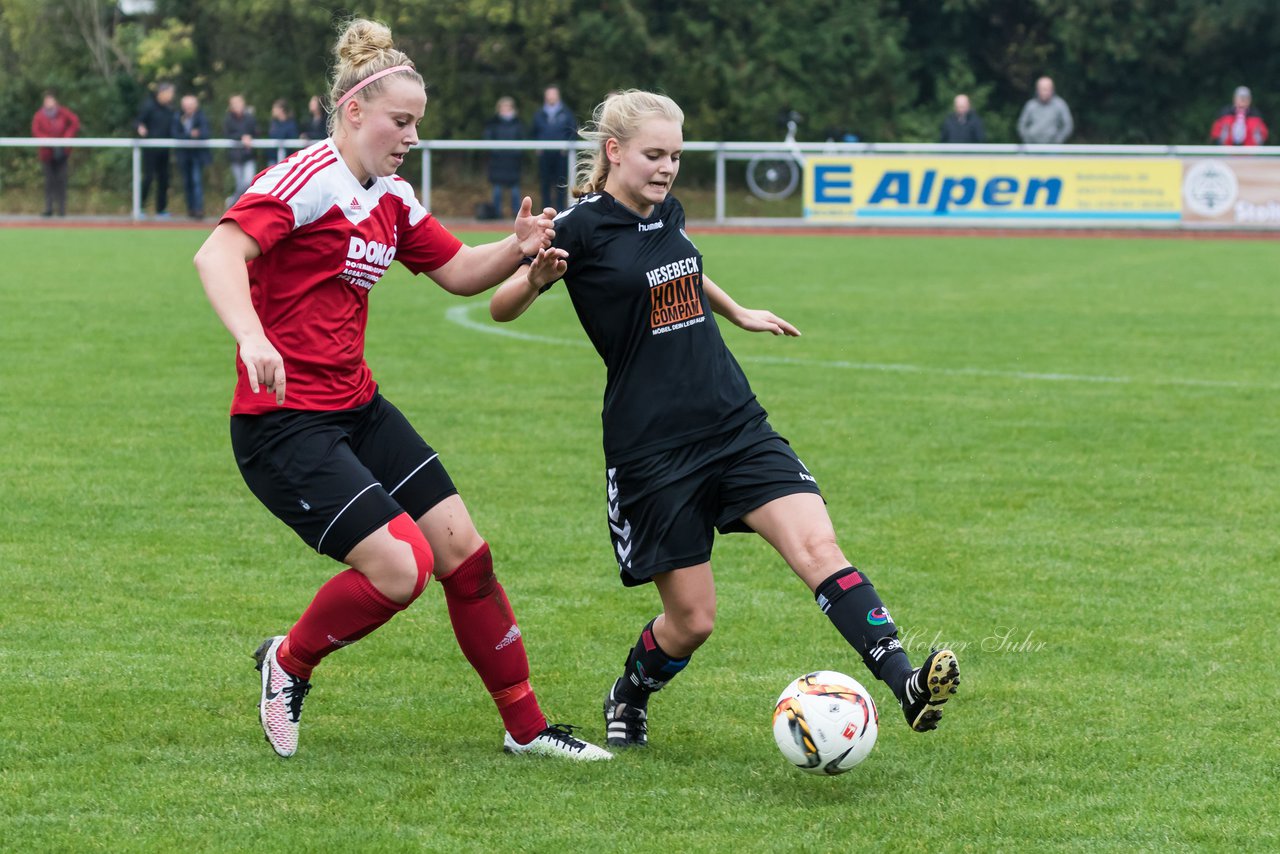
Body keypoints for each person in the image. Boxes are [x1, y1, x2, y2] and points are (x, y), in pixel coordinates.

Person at [192, 18, 610, 763]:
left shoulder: (389, 194)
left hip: (357, 407)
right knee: (401, 566)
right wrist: (252, 335)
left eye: (418, 122)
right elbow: (218, 250)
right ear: (355, 111)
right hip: (283, 424)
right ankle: (287, 662)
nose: (412, 135)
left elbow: (456, 270)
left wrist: (518, 251)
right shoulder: (307, 177)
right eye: (402, 120)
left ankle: (527, 730)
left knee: (464, 554)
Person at [489, 91, 961, 749]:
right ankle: (631, 691)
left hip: (732, 421)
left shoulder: (668, 211)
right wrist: (536, 277)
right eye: (655, 154)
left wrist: (736, 310)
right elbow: (500, 306)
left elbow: (678, 266)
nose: (667, 168)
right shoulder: (580, 226)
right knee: (692, 621)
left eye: (676, 156)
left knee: (818, 549)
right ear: (614, 151)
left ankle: (905, 681)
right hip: (652, 448)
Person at [30, 90, 79, 217]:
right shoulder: (39, 115)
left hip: (62, 151)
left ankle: (61, 209)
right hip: (47, 152)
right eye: (47, 101)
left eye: (51, 100)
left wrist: (66, 138)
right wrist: (47, 140)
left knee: (61, 180)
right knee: (49, 181)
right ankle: (48, 208)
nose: (49, 103)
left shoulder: (63, 112)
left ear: (55, 101)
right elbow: (36, 130)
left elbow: (74, 122)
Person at [531, 84, 575, 212]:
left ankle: (561, 211)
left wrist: (566, 147)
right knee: (545, 184)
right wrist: (536, 146)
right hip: (544, 155)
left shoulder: (566, 113)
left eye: (553, 94)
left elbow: (573, 131)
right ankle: (545, 211)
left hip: (561, 155)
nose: (551, 97)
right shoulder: (539, 114)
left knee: (561, 184)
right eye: (549, 94)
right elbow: (533, 132)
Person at [136, 82, 176, 217]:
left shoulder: (170, 109)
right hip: (150, 149)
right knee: (148, 177)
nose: (171, 96)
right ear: (162, 93)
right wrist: (140, 128)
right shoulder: (149, 106)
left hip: (165, 150)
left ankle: (161, 209)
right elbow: (137, 121)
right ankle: (139, 207)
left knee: (164, 179)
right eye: (170, 93)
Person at [483, 96, 525, 219]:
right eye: (503, 107)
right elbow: (488, 139)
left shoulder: (518, 124)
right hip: (497, 162)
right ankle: (497, 214)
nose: (505, 110)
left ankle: (517, 215)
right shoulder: (493, 123)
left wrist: (515, 153)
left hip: (513, 162)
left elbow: (522, 140)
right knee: (496, 190)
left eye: (508, 107)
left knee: (515, 191)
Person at [173, 94, 212, 219]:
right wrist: (190, 134)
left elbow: (205, 133)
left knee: (196, 182)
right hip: (184, 155)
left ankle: (198, 210)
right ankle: (190, 209)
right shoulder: (177, 116)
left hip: (197, 156)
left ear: (196, 105)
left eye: (190, 105)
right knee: (187, 183)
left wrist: (191, 134)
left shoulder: (201, 117)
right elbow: (175, 133)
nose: (188, 108)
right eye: (185, 105)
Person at [223, 94, 258, 208]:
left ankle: (232, 201)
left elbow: (256, 132)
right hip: (235, 157)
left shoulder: (250, 118)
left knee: (247, 182)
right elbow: (227, 134)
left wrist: (250, 138)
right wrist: (242, 137)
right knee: (240, 184)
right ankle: (238, 206)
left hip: (248, 156)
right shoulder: (228, 119)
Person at [1017, 76, 1073, 144]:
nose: (1044, 92)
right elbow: (1021, 124)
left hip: (1052, 147)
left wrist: (1058, 139)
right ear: (1037, 90)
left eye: (1046, 89)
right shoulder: (1030, 105)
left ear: (1052, 90)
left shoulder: (1060, 105)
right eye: (1042, 89)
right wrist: (1027, 139)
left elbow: (1068, 124)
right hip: (1032, 146)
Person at [266, 98, 299, 167]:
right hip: (273, 159)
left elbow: (291, 137)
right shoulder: (274, 123)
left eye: (274, 108)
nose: (272, 110)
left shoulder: (291, 124)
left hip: (287, 160)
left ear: (281, 109)